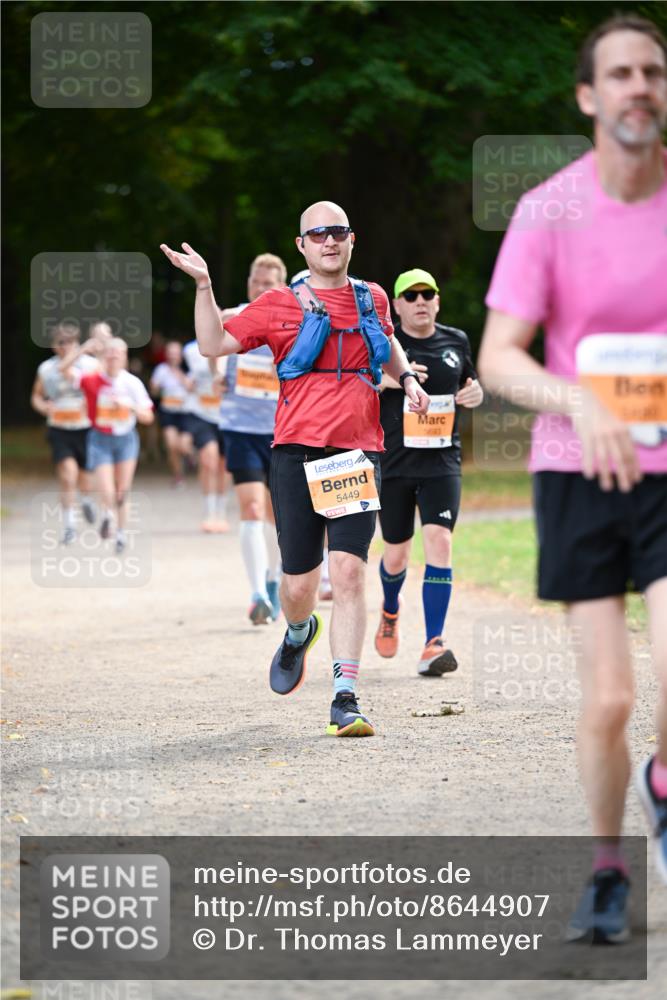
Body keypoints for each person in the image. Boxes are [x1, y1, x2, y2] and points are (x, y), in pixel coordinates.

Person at [478, 15, 667, 942]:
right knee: (608, 700)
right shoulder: (548, 209)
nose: (639, 87)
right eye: (620, 74)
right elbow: (499, 356)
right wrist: (580, 403)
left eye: (653, 72)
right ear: (589, 97)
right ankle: (605, 869)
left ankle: (662, 782)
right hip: (575, 471)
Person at [160, 200, 430, 737]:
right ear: (301, 245)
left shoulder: (372, 297)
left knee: (348, 572)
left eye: (338, 232)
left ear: (351, 240)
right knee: (299, 585)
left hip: (356, 453)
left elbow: (388, 343)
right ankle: (299, 631)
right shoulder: (278, 304)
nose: (330, 241)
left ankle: (345, 697)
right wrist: (204, 286)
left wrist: (407, 379)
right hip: (296, 453)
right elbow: (213, 343)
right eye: (318, 234)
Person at [375, 269, 483, 675]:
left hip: (442, 462)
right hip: (395, 463)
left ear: (437, 301)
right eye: (411, 295)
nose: (420, 301)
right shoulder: (385, 343)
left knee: (440, 541)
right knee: (396, 554)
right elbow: (357, 384)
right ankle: (390, 608)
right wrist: (391, 380)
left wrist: (476, 393)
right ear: (397, 305)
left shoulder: (456, 340)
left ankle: (433, 643)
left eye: (427, 294)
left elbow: (470, 384)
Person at [216, 253, 286, 624]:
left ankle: (274, 579)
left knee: (278, 514)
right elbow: (211, 345)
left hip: (281, 429)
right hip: (239, 427)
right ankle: (257, 593)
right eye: (256, 282)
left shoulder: (292, 322)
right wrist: (215, 373)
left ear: (281, 287)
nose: (260, 288)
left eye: (268, 283)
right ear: (248, 284)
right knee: (253, 509)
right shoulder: (232, 317)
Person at [61, 337, 154, 552]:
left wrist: (129, 407)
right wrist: (82, 349)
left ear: (124, 358)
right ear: (103, 357)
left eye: (118, 353)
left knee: (122, 491)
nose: (113, 357)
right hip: (100, 439)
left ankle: (120, 534)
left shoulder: (132, 383)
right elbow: (63, 369)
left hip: (125, 440)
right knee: (106, 489)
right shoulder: (91, 379)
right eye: (109, 353)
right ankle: (108, 516)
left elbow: (148, 417)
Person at [30, 322, 98, 543]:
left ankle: (86, 500)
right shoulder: (46, 369)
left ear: (76, 343)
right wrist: (43, 406)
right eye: (60, 342)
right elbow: (36, 396)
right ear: (53, 346)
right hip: (59, 429)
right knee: (68, 477)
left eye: (70, 342)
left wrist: (91, 403)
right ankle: (70, 526)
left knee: (86, 479)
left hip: (85, 429)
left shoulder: (90, 365)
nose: (65, 346)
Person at [183, 337, 231, 533]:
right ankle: (209, 512)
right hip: (202, 415)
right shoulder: (193, 350)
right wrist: (189, 382)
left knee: (224, 467)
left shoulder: (234, 350)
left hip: (227, 417)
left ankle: (221, 512)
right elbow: (190, 376)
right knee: (208, 461)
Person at [150, 340, 193, 487]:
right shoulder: (161, 369)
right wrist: (155, 386)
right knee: (171, 445)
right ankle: (178, 476)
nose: (173, 356)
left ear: (181, 355)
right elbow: (154, 391)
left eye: (176, 353)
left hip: (186, 412)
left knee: (183, 446)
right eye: (170, 353)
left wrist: (177, 373)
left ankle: (190, 455)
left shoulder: (189, 368)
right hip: (168, 411)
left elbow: (191, 388)